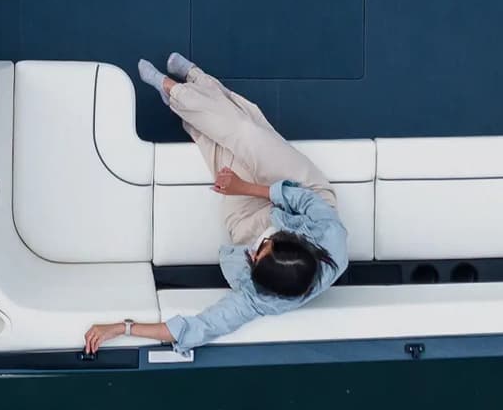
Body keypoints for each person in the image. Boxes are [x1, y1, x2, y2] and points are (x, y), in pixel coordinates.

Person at [80, 54, 349, 356]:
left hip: (248, 223)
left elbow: (201, 327)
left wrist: (121, 327)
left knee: (223, 152)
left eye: (257, 255)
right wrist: (243, 187)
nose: (260, 245)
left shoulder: (262, 298)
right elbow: (300, 198)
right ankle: (172, 88)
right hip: (300, 191)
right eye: (270, 243)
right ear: (295, 240)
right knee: (249, 134)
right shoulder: (331, 238)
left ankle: (197, 82)